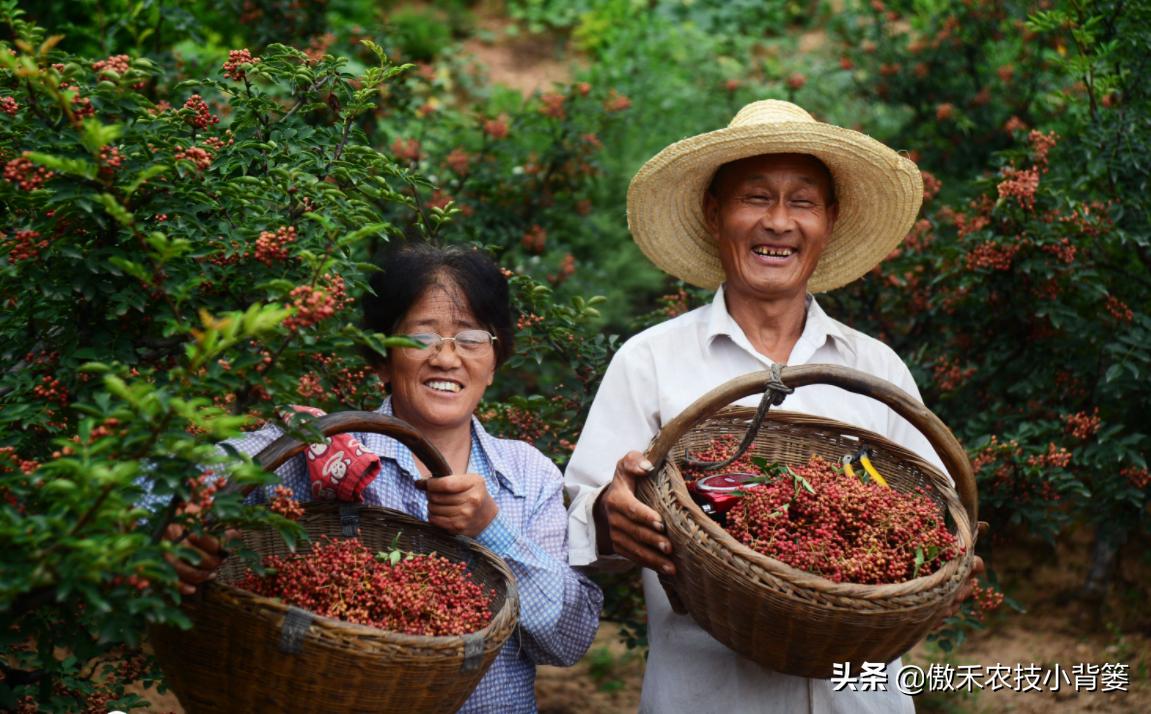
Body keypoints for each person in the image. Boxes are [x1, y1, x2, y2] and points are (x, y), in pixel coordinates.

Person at [564, 99, 982, 713]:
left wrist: (946, 569)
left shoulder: (875, 369)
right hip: (709, 696)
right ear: (715, 213)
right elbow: (587, 518)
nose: (779, 222)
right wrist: (611, 515)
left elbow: (937, 526)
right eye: (755, 198)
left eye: (803, 201)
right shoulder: (649, 361)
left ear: (830, 220)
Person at [171, 241, 603, 714]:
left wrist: (491, 530)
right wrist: (180, 532)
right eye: (421, 337)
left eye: (471, 338)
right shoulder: (318, 447)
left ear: (495, 361)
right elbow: (172, 486)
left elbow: (567, 642)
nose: (446, 357)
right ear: (380, 358)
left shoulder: (528, 475)